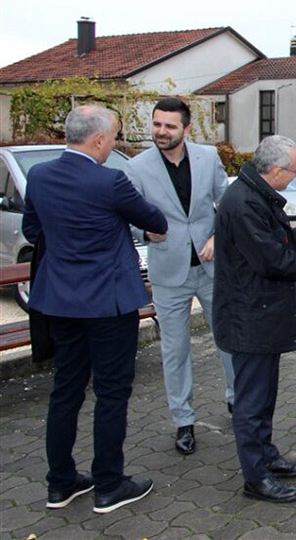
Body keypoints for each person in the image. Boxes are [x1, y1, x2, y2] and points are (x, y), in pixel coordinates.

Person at [23, 105, 167, 514]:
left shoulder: (40, 176)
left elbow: (33, 230)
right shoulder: (110, 181)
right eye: (114, 136)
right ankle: (109, 485)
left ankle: (60, 483)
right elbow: (155, 220)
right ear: (99, 139)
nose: (114, 144)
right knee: (112, 392)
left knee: (66, 389)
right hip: (108, 303)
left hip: (60, 301)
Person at [212, 135, 296, 504]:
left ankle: (265, 455)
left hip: (259, 315)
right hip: (249, 317)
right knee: (251, 401)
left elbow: (273, 237)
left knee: (264, 396)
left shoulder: (255, 193)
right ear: (276, 171)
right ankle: (256, 478)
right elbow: (270, 259)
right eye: (294, 171)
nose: (295, 177)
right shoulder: (243, 202)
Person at [125, 97, 236, 456]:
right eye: (157, 124)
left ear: (186, 129)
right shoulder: (136, 167)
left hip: (212, 268)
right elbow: (127, 215)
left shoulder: (208, 157)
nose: (161, 132)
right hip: (168, 272)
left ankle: (237, 401)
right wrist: (144, 233)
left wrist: (218, 236)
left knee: (228, 339)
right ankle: (183, 421)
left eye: (169, 126)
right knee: (175, 350)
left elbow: (228, 204)